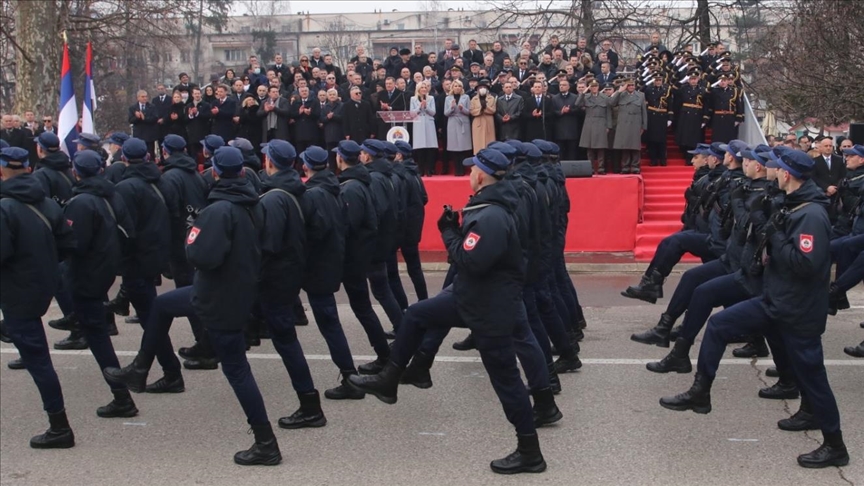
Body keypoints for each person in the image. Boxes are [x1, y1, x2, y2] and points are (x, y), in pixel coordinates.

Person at [349, 148, 547, 475]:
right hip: (473, 295)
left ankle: (530, 451)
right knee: (416, 315)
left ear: (482, 175)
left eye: (473, 169)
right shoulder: (489, 205)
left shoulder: (492, 215)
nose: (469, 172)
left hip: (490, 307)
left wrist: (448, 232)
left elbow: (472, 260)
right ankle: (393, 378)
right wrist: (457, 229)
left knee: (507, 382)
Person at [660, 148, 850, 469]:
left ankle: (835, 445)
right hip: (776, 299)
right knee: (720, 326)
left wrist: (774, 235)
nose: (771, 171)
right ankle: (700, 391)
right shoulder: (793, 204)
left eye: (776, 168)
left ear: (787, 174)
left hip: (798, 310)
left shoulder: (811, 215)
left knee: (814, 377)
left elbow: (805, 265)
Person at [106, 146, 282, 466]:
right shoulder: (254, 203)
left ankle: (266, 442)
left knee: (238, 371)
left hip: (220, 296)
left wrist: (192, 236)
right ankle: (141, 368)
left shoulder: (219, 210)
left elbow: (201, 255)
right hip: (230, 291)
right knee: (161, 306)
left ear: (214, 172)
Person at [1, 146, 77, 448]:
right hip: (42, 285)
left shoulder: (6, 207)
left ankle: (60, 427)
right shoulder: (45, 201)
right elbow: (67, 245)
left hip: (18, 291)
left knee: (38, 360)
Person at [63, 150, 139, 418]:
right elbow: (128, 232)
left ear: (77, 172)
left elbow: (74, 243)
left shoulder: (82, 202)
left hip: (88, 276)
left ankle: (122, 397)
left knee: (97, 337)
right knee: (93, 326)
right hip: (103, 271)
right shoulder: (111, 194)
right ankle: (76, 319)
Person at [258, 140, 327, 428]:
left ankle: (309, 405)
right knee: (284, 338)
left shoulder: (274, 197)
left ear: (270, 163)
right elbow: (318, 229)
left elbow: (269, 244)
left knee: (286, 340)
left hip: (278, 277)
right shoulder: (302, 190)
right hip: (292, 272)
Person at [113, 138, 183, 393]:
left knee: (151, 319)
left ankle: (168, 371)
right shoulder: (163, 181)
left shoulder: (125, 188)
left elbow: (124, 230)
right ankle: (163, 369)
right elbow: (176, 218)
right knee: (152, 316)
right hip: (157, 256)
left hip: (138, 260)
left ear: (124, 158)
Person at [334, 140, 392, 373]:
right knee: (364, 306)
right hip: (362, 254)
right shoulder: (361, 181)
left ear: (340, 159)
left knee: (363, 308)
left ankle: (384, 355)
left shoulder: (352, 187)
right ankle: (385, 354)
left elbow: (350, 225)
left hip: (356, 257)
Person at [358, 139, 404, 341]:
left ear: (368, 156)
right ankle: (402, 326)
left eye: (362, 153)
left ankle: (401, 327)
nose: (360, 156)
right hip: (384, 241)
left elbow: (377, 212)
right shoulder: (385, 174)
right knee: (383, 289)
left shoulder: (375, 178)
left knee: (382, 290)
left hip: (376, 244)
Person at [610, 80, 648, 174]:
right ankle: (625, 167)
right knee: (625, 146)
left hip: (635, 123)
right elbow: (611, 103)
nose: (631, 87)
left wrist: (644, 125)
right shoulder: (621, 95)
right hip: (623, 124)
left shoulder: (640, 95)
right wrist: (619, 91)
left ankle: (635, 166)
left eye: (633, 85)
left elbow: (644, 111)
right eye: (629, 85)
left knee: (635, 146)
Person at [575, 81, 612, 175]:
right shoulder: (586, 97)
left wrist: (608, 126)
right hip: (589, 123)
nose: (594, 88)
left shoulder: (604, 98)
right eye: (592, 86)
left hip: (601, 123)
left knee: (601, 148)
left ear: (598, 87)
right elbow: (577, 104)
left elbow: (608, 113)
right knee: (589, 148)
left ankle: (601, 168)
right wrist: (584, 92)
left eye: (596, 86)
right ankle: (590, 168)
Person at [409, 82, 438, 176]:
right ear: (418, 89)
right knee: (420, 148)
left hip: (429, 123)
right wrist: (420, 106)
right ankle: (421, 170)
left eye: (425, 87)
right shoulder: (413, 99)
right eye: (422, 87)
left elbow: (433, 112)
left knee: (430, 148)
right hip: (418, 123)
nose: (424, 89)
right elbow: (412, 113)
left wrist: (426, 106)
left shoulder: (431, 98)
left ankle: (430, 170)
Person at [643, 75, 672, 166]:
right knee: (652, 139)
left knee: (662, 140)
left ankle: (663, 158)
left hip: (662, 116)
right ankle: (653, 159)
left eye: (659, 80)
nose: (658, 82)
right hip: (652, 115)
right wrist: (648, 81)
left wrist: (670, 118)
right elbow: (641, 90)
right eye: (656, 80)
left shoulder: (666, 90)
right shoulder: (649, 89)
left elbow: (670, 104)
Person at [444, 80, 472, 176]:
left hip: (463, 122)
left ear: (461, 88)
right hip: (452, 123)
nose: (457, 88)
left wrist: (462, 108)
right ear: (452, 87)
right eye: (455, 86)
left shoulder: (466, 97)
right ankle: (457, 169)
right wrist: (451, 107)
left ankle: (462, 169)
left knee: (463, 147)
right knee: (454, 147)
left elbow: (469, 112)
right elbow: (445, 113)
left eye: (459, 86)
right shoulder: (448, 98)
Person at [128, 90, 159, 159]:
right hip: (139, 135)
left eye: (146, 96)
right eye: (143, 97)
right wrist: (137, 117)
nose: (145, 98)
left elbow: (155, 118)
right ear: (138, 98)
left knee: (150, 154)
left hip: (149, 135)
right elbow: (130, 120)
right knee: (139, 154)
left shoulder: (152, 107)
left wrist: (144, 118)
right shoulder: (133, 108)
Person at [470, 80, 497, 154]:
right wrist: (480, 109)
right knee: (478, 143)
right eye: (480, 87)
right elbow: (472, 111)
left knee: (489, 143)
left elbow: (493, 110)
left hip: (488, 121)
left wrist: (486, 107)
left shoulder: (491, 98)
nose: (482, 89)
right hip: (478, 121)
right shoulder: (474, 99)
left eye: (484, 87)